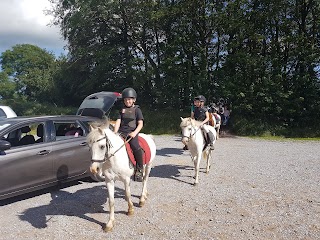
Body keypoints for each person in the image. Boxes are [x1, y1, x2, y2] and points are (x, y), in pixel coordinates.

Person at [114, 87, 144, 181]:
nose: (128, 101)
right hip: (122, 132)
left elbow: (140, 123)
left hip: (132, 133)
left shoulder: (137, 110)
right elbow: (118, 121)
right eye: (126, 99)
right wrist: (115, 132)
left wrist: (135, 133)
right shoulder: (121, 110)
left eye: (130, 99)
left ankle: (140, 169)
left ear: (134, 100)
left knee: (135, 147)